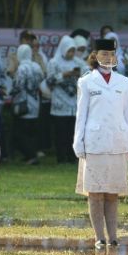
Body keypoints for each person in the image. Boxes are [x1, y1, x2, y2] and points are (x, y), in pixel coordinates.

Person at [74, 38, 128, 247]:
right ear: (95, 56)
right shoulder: (86, 81)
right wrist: (78, 142)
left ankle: (113, 235)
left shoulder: (123, 81)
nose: (108, 58)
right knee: (96, 192)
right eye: (104, 54)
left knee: (112, 192)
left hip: (118, 141)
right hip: (94, 142)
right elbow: (81, 115)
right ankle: (99, 236)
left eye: (112, 54)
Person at [46, 35, 82, 164]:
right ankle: (61, 158)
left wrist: (78, 75)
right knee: (60, 134)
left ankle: (72, 157)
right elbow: (49, 81)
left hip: (74, 105)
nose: (72, 53)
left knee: (73, 134)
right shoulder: (53, 62)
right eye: (69, 51)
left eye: (73, 51)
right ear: (63, 49)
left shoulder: (77, 62)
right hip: (59, 104)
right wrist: (64, 75)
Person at [10, 43, 46, 164]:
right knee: (32, 132)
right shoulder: (36, 66)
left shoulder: (22, 68)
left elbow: (18, 86)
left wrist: (9, 92)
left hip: (23, 104)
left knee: (20, 132)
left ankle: (31, 156)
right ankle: (31, 154)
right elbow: (42, 79)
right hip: (36, 102)